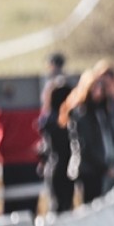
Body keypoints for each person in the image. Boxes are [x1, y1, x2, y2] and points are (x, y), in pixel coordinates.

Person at [61, 63, 113, 206]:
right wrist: (103, 166)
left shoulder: (99, 112)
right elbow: (86, 145)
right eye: (96, 88)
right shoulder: (82, 114)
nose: (99, 92)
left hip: (97, 167)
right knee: (89, 205)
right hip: (88, 169)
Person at [0, 87, 42, 218]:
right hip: (17, 159)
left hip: (26, 158)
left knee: (19, 206)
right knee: (16, 205)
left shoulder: (34, 93)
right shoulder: (33, 94)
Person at [38, 75, 76, 214]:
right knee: (60, 207)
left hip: (58, 167)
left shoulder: (53, 119)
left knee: (62, 206)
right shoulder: (58, 121)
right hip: (60, 168)